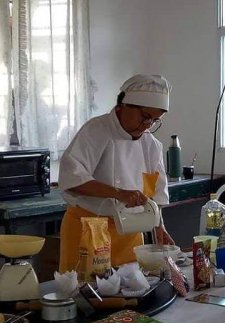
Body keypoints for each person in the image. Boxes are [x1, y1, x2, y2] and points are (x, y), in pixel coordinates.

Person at [58, 74, 175, 272]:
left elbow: (153, 193)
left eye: (155, 121)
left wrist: (158, 227)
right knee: (85, 294)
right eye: (145, 117)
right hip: (89, 230)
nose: (148, 125)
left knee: (129, 294)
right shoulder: (96, 131)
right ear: (123, 106)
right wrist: (119, 193)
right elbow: (73, 178)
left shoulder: (151, 145)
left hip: (129, 233)